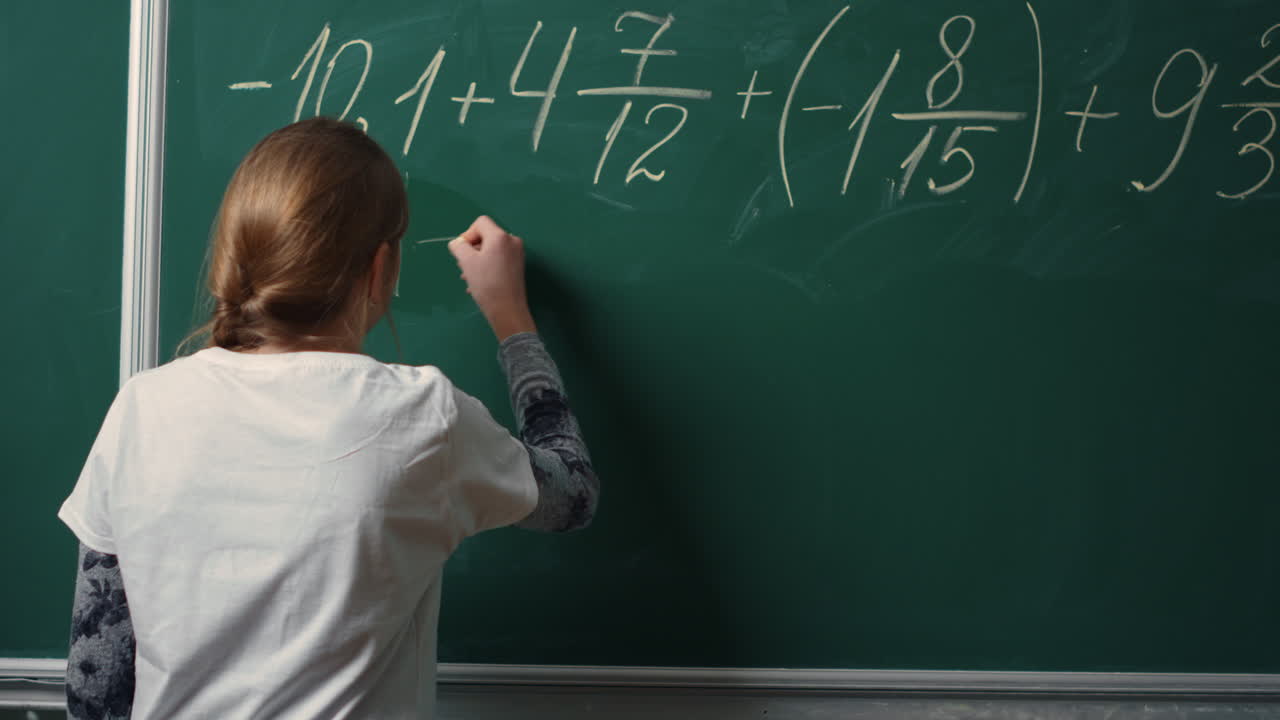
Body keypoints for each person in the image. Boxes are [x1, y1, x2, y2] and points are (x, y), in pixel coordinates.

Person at [58, 117, 598, 719]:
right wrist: (512, 319)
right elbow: (571, 493)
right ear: (379, 270)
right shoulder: (424, 414)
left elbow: (97, 677)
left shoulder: (142, 407)